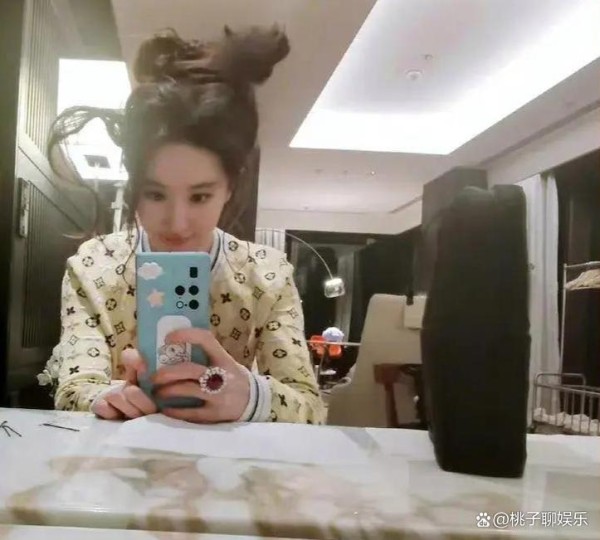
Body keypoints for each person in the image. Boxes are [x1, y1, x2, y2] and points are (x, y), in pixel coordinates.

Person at [37, 25, 325, 425]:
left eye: (200, 196)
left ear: (230, 187)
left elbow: (310, 407)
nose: (177, 224)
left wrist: (251, 396)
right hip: (121, 458)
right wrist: (108, 398)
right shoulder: (94, 266)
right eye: (155, 194)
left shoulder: (267, 275)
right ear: (134, 187)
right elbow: (73, 390)